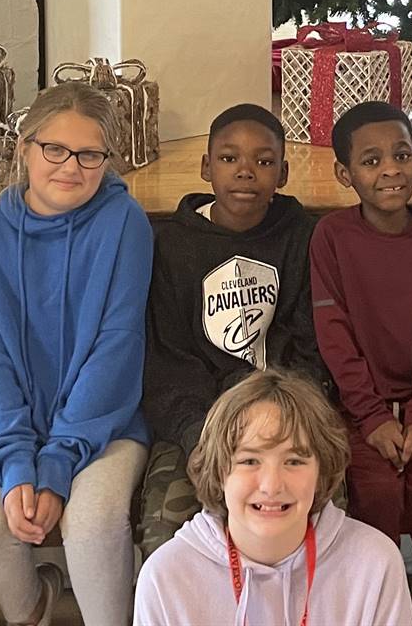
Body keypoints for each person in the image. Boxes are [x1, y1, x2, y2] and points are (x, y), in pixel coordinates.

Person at [0, 83, 151, 626]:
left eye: (89, 154)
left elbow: (117, 346)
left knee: (91, 524)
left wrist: (59, 461)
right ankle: (32, 609)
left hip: (102, 421)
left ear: (106, 160)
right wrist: (17, 464)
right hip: (8, 425)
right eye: (54, 149)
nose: (71, 166)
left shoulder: (125, 223)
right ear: (25, 148)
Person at [140, 103, 323, 557]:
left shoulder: (303, 239)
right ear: (206, 167)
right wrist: (200, 434)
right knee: (164, 530)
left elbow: (311, 346)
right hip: (198, 424)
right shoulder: (173, 246)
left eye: (263, 162)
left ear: (282, 173)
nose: (246, 172)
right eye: (228, 159)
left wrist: (276, 424)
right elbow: (167, 359)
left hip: (284, 420)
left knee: (317, 517)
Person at [311, 101, 412, 626]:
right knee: (375, 492)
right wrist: (374, 417)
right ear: (345, 173)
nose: (391, 170)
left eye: (402, 155)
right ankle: (378, 610)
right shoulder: (331, 238)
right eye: (372, 161)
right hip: (359, 409)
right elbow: (334, 338)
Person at [133, 369, 412, 625]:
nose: (271, 485)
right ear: (220, 472)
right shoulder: (165, 578)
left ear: (322, 471)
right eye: (249, 461)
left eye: (294, 461)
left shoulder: (375, 564)